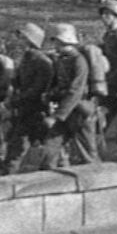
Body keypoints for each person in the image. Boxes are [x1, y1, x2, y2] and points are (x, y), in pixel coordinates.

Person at [42, 23, 99, 168]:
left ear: (63, 41)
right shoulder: (62, 59)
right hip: (66, 112)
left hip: (80, 113)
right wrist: (50, 96)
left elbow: (76, 91)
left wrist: (56, 116)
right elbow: (59, 85)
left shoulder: (79, 61)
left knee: (87, 155)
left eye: (56, 41)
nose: (54, 45)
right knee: (50, 149)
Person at [3, 23, 54, 174]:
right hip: (25, 110)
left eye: (22, 38)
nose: (19, 41)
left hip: (39, 111)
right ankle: (7, 181)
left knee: (52, 150)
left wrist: (13, 102)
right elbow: (19, 82)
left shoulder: (42, 62)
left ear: (30, 40)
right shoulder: (26, 59)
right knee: (15, 150)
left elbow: (38, 89)